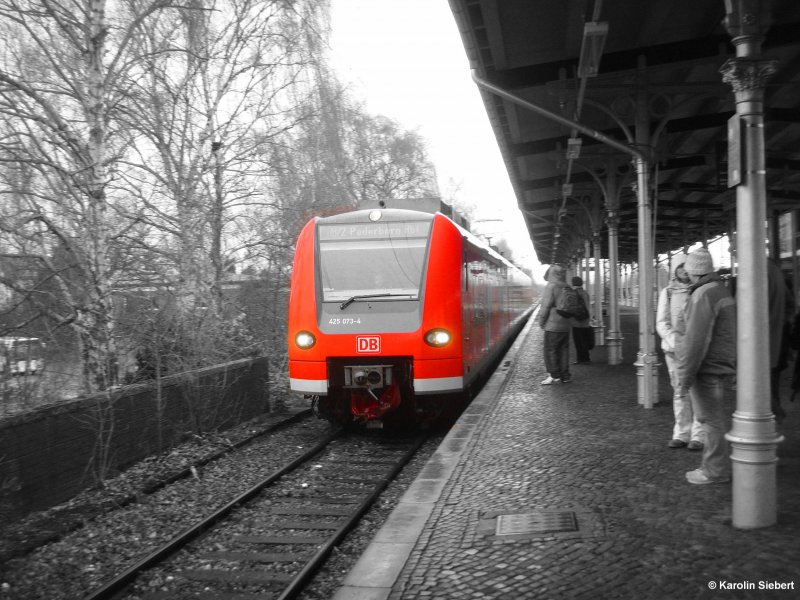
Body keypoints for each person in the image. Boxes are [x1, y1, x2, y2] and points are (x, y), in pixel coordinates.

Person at [675, 248, 736, 485]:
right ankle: (714, 467)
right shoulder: (720, 290)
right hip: (721, 364)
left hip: (708, 368)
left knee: (710, 420)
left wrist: (684, 378)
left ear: (693, 271)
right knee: (713, 419)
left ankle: (714, 470)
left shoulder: (703, 294)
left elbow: (695, 341)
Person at [656, 262, 704, 451]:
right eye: (680, 267)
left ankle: (698, 435)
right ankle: (681, 433)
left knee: (698, 391)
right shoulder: (668, 292)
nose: (684, 270)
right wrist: (674, 342)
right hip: (674, 350)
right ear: (675, 269)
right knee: (679, 391)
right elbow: (662, 321)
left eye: (687, 266)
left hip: (695, 348)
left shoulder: (699, 290)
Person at [536, 264, 572, 384]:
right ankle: (565, 376)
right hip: (566, 324)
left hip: (553, 325)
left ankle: (554, 375)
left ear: (550, 274)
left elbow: (545, 306)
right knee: (564, 350)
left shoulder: (551, 286)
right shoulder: (567, 286)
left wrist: (541, 322)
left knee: (550, 350)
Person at [570, 276, 593, 364]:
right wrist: (590, 318)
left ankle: (580, 359)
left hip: (575, 321)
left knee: (577, 341)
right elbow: (588, 307)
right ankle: (586, 359)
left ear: (573, 283)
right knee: (585, 340)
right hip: (585, 321)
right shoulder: (584, 293)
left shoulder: (572, 293)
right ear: (581, 283)